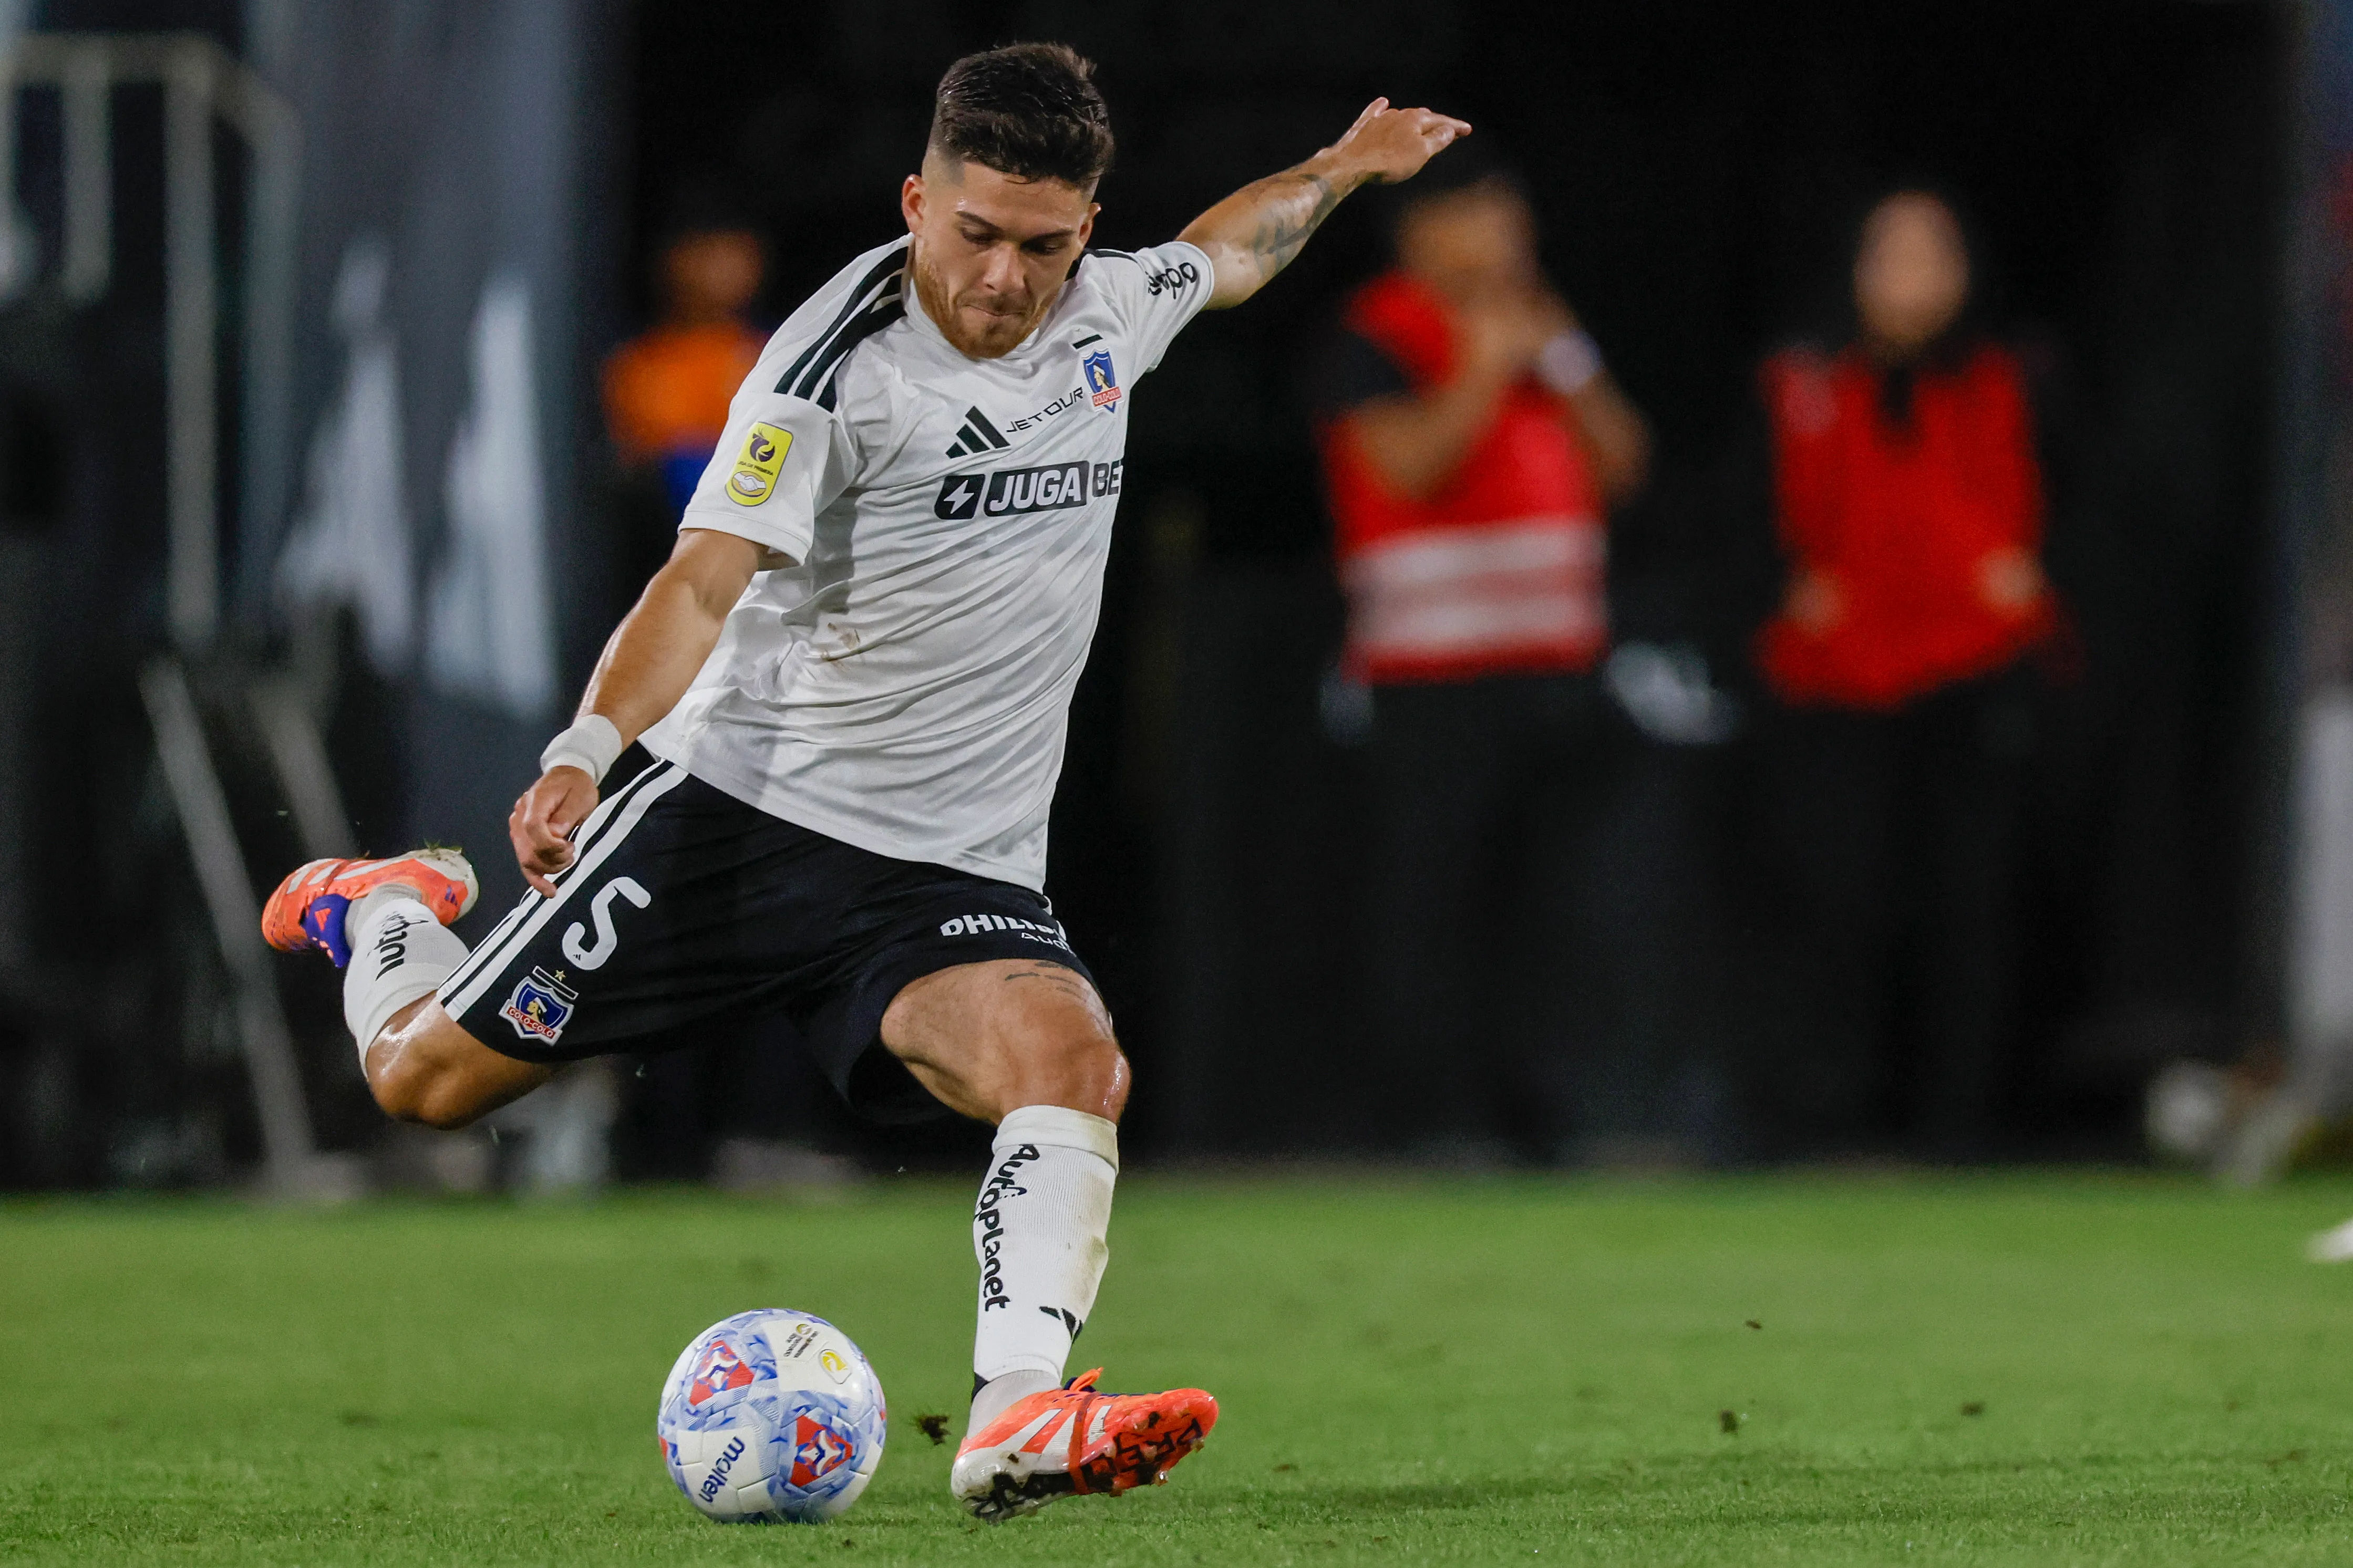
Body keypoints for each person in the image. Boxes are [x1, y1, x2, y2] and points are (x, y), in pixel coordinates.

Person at [257, 44, 1469, 1521]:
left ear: (1083, 228)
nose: (1004, 280)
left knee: (1071, 1064)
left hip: (948, 868)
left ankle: (1017, 1415)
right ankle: (385, 909)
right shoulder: (838, 367)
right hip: (740, 819)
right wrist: (586, 751)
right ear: (916, 201)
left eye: (1042, 243)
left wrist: (1342, 168)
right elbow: (702, 583)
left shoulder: (1105, 315)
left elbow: (1222, 253)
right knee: (421, 1082)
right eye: (973, 234)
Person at [1310, 156, 1652, 1158]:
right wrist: (1482, 364)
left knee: (1552, 912)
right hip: (1431, 681)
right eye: (1482, 217)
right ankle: (1435, 1122)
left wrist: (1567, 363)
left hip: (1553, 666)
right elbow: (1407, 467)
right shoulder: (1371, 338)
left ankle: (1544, 1114)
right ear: (1422, 234)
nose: (1508, 236)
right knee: (1433, 909)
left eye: (1514, 213)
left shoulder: (1547, 329)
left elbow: (1624, 463)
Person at [1742, 188, 2057, 1158]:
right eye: (1892, 256)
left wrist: (2024, 581)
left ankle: (1959, 1127)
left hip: (1973, 675)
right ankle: (1830, 1122)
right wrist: (1782, 588)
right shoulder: (1799, 380)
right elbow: (1744, 522)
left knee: (1971, 910)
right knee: (1840, 904)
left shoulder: (2014, 380)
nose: (1913, 281)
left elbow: (2078, 518)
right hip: (1838, 685)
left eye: (1933, 257)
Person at [602, 223, 770, 518]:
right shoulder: (644, 364)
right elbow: (641, 460)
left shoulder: (771, 351)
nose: (728, 269)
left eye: (736, 253)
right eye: (711, 254)